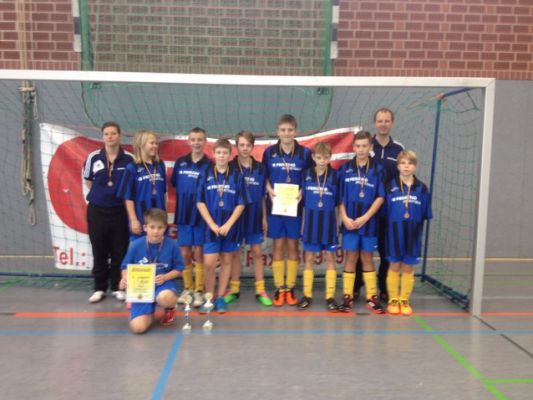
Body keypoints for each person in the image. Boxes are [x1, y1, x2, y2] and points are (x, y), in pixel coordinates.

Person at [354, 108, 404, 303]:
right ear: (375, 123)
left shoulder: (398, 149)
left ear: (392, 123)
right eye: (380, 121)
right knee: (361, 250)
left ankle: (384, 288)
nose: (383, 124)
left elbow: (402, 177)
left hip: (388, 210)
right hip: (365, 209)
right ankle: (356, 287)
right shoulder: (366, 146)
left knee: (385, 250)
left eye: (387, 120)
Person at [262, 114, 313, 306]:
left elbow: (311, 177)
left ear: (295, 131)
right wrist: (268, 189)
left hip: (295, 207)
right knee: (277, 246)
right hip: (275, 206)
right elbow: (263, 177)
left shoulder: (305, 153)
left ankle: (290, 287)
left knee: (292, 246)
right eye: (283, 130)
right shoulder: (269, 153)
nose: (286, 133)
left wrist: (302, 191)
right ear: (278, 132)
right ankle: (279, 288)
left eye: (290, 130)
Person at [83, 122, 133, 303]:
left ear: (119, 135)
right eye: (106, 134)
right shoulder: (93, 157)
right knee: (99, 250)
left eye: (113, 133)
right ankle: (99, 287)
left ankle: (118, 287)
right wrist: (102, 195)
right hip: (97, 211)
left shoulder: (129, 159)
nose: (110, 137)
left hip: (119, 211)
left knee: (119, 250)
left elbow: (131, 186)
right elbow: (88, 181)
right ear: (102, 136)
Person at [196, 138, 247, 313]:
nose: (222, 156)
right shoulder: (205, 174)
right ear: (213, 154)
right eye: (219, 152)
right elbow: (200, 202)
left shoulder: (237, 176)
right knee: (209, 264)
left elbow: (241, 203)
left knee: (226, 261)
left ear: (230, 155)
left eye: (225, 153)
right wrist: (211, 223)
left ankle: (220, 298)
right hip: (210, 228)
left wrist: (228, 224)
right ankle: (209, 297)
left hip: (230, 227)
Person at [338, 131, 386, 314]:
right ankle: (347, 296)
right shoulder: (345, 169)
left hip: (369, 223)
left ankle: (372, 297)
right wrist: (344, 217)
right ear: (353, 147)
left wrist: (366, 217)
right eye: (358, 146)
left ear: (370, 147)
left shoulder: (378, 169)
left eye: (364, 146)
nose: (361, 149)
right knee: (350, 257)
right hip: (349, 222)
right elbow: (339, 197)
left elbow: (381, 197)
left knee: (367, 257)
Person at [225, 131, 272, 306]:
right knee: (235, 254)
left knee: (257, 253)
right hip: (236, 216)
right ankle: (234, 289)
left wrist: (264, 217)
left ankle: (260, 290)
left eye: (248, 145)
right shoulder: (230, 167)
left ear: (253, 147)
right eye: (241, 145)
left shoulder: (260, 168)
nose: (244, 148)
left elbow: (262, 196)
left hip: (255, 215)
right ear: (236, 146)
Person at [119, 208, 183, 334]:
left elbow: (179, 269)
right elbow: (125, 267)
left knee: (165, 298)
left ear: (165, 228)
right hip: (142, 287)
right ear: (145, 227)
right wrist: (125, 279)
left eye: (160, 227)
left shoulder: (172, 245)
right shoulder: (136, 245)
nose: (156, 231)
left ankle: (169, 308)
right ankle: (148, 311)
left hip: (163, 284)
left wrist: (165, 277)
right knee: (138, 328)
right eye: (152, 227)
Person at [385, 150, 432, 316]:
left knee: (408, 266)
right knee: (394, 265)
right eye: (403, 163)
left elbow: (425, 213)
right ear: (398, 166)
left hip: (413, 233)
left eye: (410, 163)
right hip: (394, 233)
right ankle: (393, 299)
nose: (406, 166)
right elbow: (384, 212)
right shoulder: (390, 186)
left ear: (415, 167)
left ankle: (404, 299)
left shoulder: (422, 188)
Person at [171, 127, 212, 308]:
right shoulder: (180, 163)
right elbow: (175, 184)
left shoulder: (209, 165)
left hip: (201, 215)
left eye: (200, 139)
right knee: (185, 252)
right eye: (193, 139)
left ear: (205, 142)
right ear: (188, 141)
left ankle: (199, 290)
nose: (196, 142)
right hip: (184, 213)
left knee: (199, 252)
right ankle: (187, 288)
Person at [297, 142, 340, 311]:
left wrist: (338, 224)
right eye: (319, 157)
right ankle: (307, 295)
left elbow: (339, 202)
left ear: (330, 158)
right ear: (313, 157)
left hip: (329, 224)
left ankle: (330, 297)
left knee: (330, 259)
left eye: (326, 157)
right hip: (311, 224)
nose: (322, 160)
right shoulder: (306, 174)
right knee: (309, 259)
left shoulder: (335, 176)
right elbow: (301, 197)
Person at [116, 130, 167, 240]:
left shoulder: (160, 165)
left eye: (156, 143)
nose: (155, 146)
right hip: (141, 218)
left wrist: (165, 215)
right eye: (151, 143)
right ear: (141, 144)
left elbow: (164, 193)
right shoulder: (132, 167)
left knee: (158, 249)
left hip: (159, 220)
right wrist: (133, 220)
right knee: (140, 249)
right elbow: (128, 198)